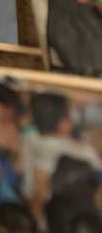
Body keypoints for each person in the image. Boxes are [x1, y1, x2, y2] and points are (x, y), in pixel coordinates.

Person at [26, 92, 102, 225]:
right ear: (62, 123)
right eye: (69, 115)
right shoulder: (81, 151)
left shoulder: (28, 139)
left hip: (43, 218)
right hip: (74, 218)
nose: (72, 119)